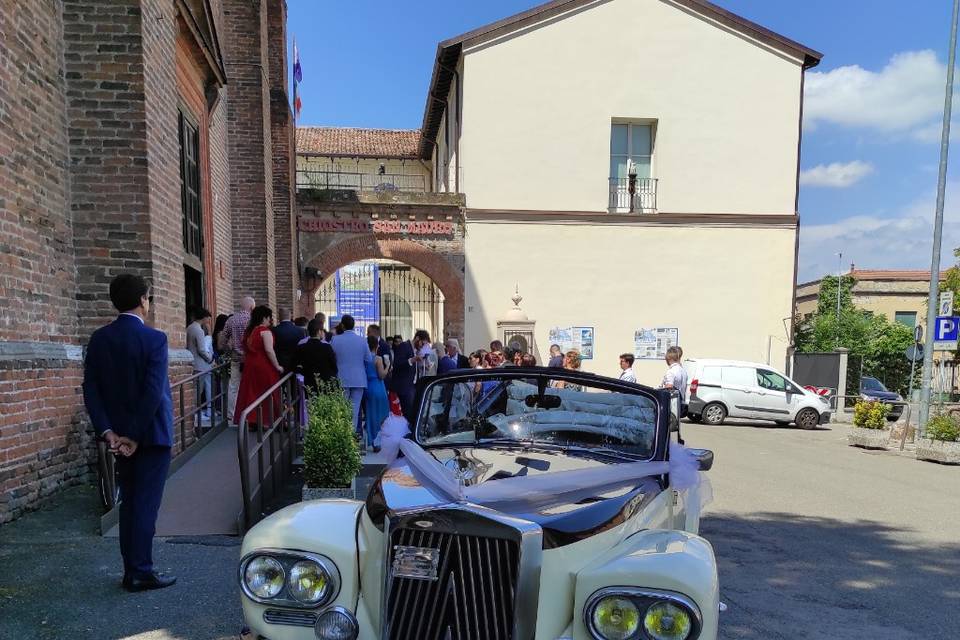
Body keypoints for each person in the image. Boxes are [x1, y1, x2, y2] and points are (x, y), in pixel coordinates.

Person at [82, 274, 176, 592]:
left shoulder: (99, 339)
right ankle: (141, 571)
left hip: (119, 436)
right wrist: (134, 435)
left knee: (130, 504)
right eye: (148, 298)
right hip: (150, 436)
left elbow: (91, 389)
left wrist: (108, 432)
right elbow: (152, 393)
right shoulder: (155, 340)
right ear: (143, 301)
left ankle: (131, 569)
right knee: (145, 505)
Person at [234, 306, 284, 428]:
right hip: (264, 366)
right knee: (268, 392)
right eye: (269, 317)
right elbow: (269, 350)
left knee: (251, 392)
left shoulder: (248, 331)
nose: (270, 320)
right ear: (264, 318)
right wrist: (277, 366)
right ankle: (269, 420)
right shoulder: (265, 331)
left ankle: (252, 420)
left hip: (250, 366)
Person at [331, 314, 372, 436]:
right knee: (355, 408)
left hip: (341, 377)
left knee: (342, 407)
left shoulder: (335, 339)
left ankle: (342, 434)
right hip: (359, 378)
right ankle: (351, 434)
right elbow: (369, 359)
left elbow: (331, 357)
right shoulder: (362, 340)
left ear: (342, 326)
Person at [220, 296, 255, 424]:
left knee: (234, 387)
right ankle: (250, 414)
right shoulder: (253, 320)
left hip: (235, 358)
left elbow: (223, 341)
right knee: (251, 386)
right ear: (251, 307)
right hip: (251, 359)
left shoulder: (231, 320)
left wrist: (230, 351)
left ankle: (232, 415)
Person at [294, 319, 338, 394]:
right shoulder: (327, 347)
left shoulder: (301, 347)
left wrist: (303, 372)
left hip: (308, 385)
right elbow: (334, 366)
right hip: (325, 385)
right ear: (319, 332)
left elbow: (294, 365)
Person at [186, 307, 214, 421]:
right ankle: (195, 413)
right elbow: (202, 350)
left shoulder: (189, 327)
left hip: (193, 362)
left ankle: (194, 412)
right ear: (203, 317)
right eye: (208, 317)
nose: (208, 319)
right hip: (200, 364)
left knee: (195, 390)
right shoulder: (198, 330)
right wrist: (210, 359)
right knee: (198, 390)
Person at [364, 336, 389, 451]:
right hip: (378, 387)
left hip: (368, 387)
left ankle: (373, 440)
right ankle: (379, 441)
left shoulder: (364, 358)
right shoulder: (378, 359)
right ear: (376, 346)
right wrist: (388, 366)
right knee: (382, 414)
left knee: (371, 415)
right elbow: (381, 375)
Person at [390, 335, 416, 419]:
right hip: (403, 387)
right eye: (422, 343)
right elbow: (398, 364)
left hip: (410, 385)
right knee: (406, 412)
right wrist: (411, 360)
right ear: (418, 338)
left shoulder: (414, 349)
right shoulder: (404, 346)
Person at [660, 345, 689, 412]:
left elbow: (669, 388)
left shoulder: (671, 371)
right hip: (680, 403)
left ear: (669, 358)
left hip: (672, 404)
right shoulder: (683, 371)